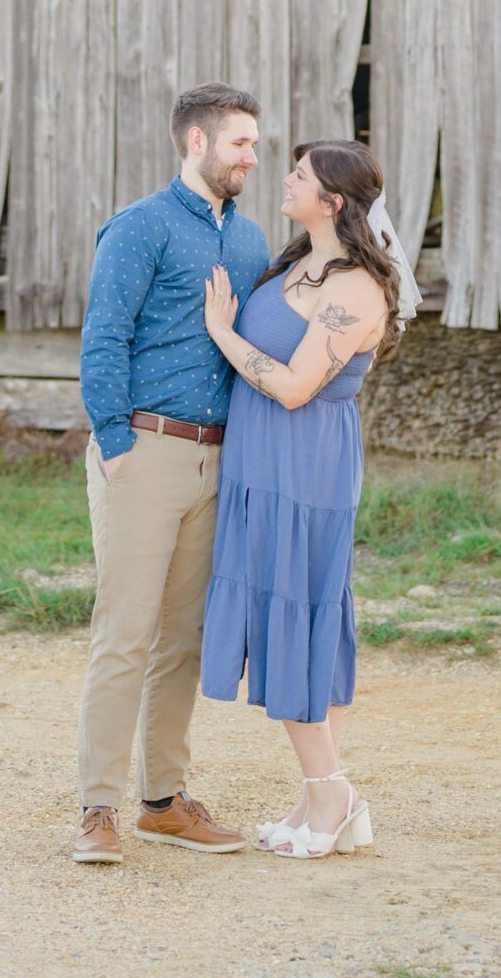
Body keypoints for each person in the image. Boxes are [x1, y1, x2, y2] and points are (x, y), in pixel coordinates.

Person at [197, 137, 419, 859]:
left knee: (297, 617)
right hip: (259, 462)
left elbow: (294, 387)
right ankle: (320, 794)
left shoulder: (353, 288)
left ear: (332, 202)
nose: (283, 180)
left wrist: (222, 334)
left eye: (299, 175)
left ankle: (332, 794)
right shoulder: (296, 261)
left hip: (305, 469)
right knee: (280, 616)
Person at [72, 84, 271, 866]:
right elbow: (103, 338)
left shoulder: (251, 240)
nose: (251, 157)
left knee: (182, 639)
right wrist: (115, 443)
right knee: (124, 633)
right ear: (197, 141)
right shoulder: (139, 227)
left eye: (253, 145)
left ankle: (162, 801)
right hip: (144, 453)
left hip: (218, 457)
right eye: (240, 144)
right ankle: (96, 809)